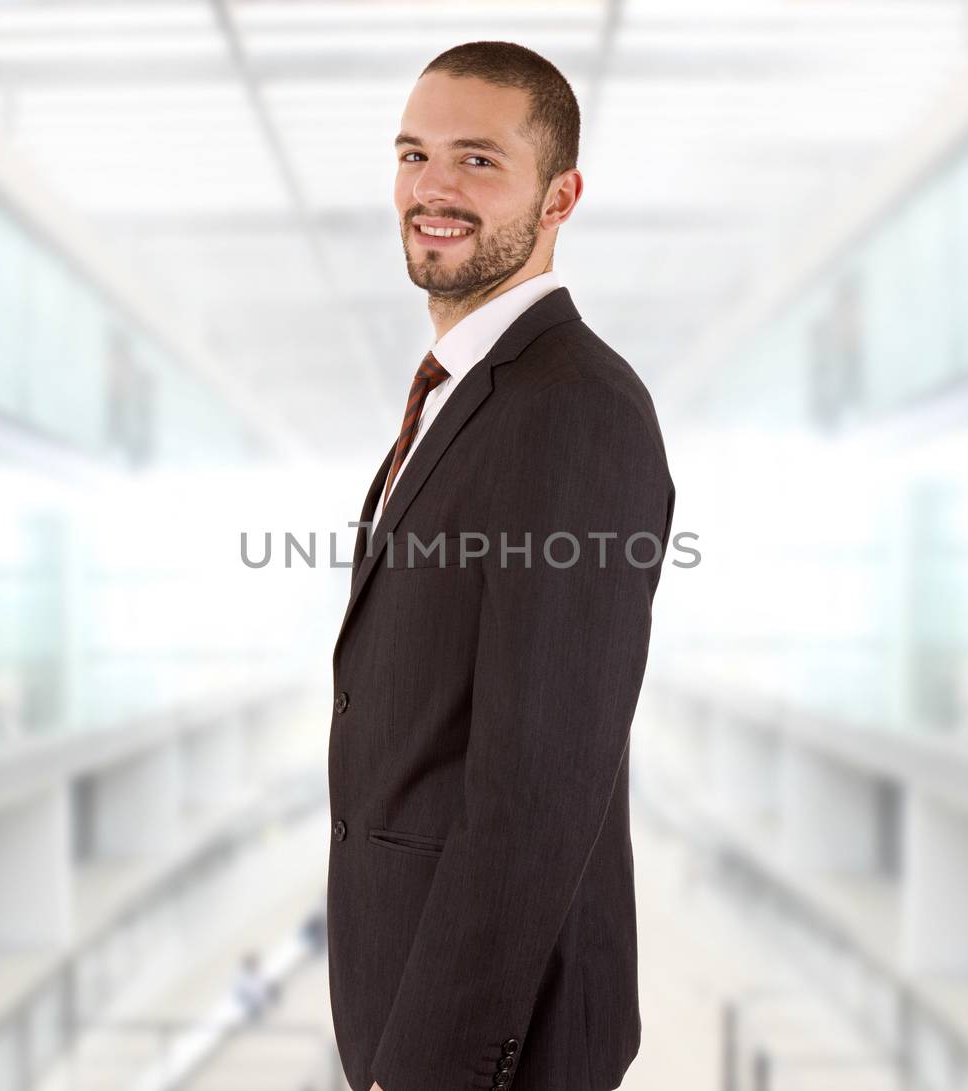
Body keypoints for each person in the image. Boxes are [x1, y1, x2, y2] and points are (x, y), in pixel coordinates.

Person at [325, 40, 675, 1091]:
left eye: (477, 160)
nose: (431, 186)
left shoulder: (576, 410)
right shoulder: (455, 396)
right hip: (405, 1000)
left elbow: (537, 783)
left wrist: (430, 1066)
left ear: (560, 196)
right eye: (412, 153)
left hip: (492, 1045)